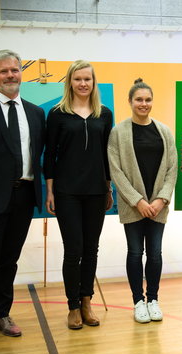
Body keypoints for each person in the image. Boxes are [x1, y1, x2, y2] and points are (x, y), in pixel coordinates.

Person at [0, 50, 45, 350]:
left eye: (14, 70)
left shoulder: (35, 112)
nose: (10, 76)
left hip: (23, 197)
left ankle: (1, 316)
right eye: (3, 71)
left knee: (9, 262)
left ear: (21, 72)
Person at [44, 60, 113, 330]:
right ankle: (73, 306)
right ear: (69, 82)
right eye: (78, 79)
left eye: (88, 79)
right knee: (73, 251)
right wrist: (50, 189)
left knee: (91, 249)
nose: (83, 83)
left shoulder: (104, 114)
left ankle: (87, 302)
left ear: (94, 83)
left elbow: (109, 156)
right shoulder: (57, 114)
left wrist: (109, 187)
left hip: (96, 191)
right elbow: (49, 154)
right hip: (67, 192)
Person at [108, 79, 177, 323]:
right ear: (130, 101)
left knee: (155, 253)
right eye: (139, 99)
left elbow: (172, 168)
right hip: (133, 206)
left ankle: (153, 300)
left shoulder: (164, 131)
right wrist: (138, 201)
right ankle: (138, 301)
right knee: (135, 252)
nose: (143, 103)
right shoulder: (118, 132)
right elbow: (116, 170)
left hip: (158, 206)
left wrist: (161, 199)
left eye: (147, 99)